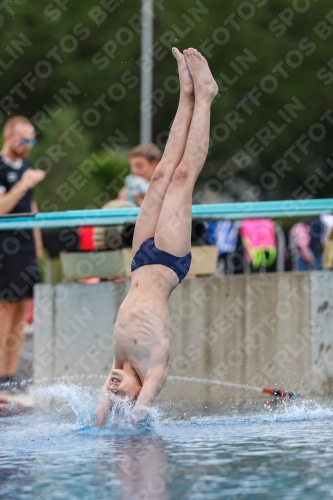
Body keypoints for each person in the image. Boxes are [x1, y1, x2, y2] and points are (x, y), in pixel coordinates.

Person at [96, 47, 218, 426]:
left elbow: (98, 417)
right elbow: (137, 416)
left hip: (138, 261)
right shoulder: (153, 373)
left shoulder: (118, 365)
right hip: (166, 262)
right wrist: (134, 414)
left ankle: (186, 93)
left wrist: (104, 414)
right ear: (136, 395)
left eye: (109, 390)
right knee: (182, 177)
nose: (112, 387)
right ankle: (207, 95)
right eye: (119, 394)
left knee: (162, 174)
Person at [0, 116, 45, 391]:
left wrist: (38, 246)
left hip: (27, 246)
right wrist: (24, 184)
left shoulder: (26, 165)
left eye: (32, 140)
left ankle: (9, 375)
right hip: (5, 247)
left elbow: (32, 207)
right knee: (5, 310)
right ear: (9, 137)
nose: (28, 146)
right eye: (24, 140)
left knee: (22, 311)